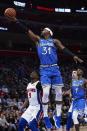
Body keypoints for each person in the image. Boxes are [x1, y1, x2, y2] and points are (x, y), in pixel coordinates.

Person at [5, 13, 83, 130]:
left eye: (45, 29)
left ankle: (57, 116)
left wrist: (73, 56)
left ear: (49, 32)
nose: (42, 30)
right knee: (46, 93)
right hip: (44, 69)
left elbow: (64, 49)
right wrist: (16, 20)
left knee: (58, 93)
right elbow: (27, 31)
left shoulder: (55, 41)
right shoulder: (38, 40)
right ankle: (46, 117)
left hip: (55, 68)